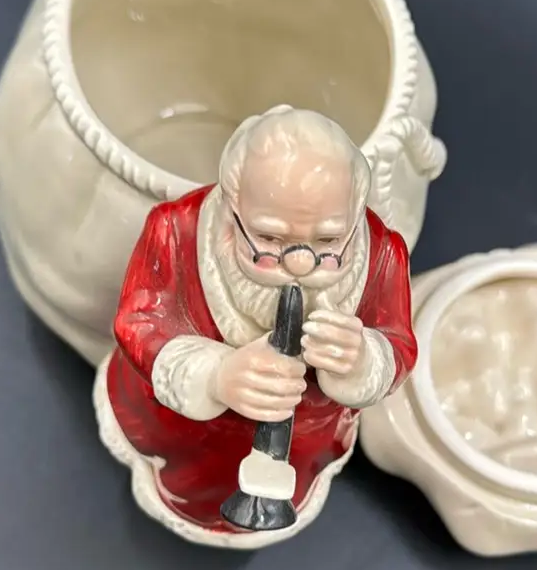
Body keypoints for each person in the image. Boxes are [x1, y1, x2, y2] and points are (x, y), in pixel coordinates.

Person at [93, 105, 418, 547]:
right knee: (187, 481)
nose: (300, 264)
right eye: (269, 238)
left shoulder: (381, 254)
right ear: (233, 206)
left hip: (306, 439)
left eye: (327, 239)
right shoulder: (175, 230)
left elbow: (399, 342)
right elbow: (139, 319)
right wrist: (214, 375)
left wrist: (363, 359)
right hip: (187, 433)